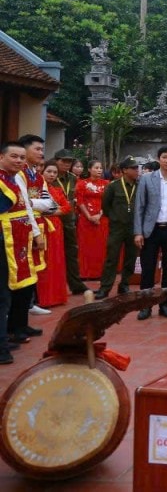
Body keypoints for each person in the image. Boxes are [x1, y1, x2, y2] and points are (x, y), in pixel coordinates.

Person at [133, 145, 167, 320]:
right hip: (151, 230)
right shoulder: (147, 179)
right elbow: (139, 207)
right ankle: (145, 307)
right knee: (148, 269)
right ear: (159, 159)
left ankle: (165, 305)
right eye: (164, 157)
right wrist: (138, 232)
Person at [0, 141, 39, 364]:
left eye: (22, 158)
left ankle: (5, 336)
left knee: (10, 292)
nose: (19, 161)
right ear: (1, 157)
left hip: (16, 243)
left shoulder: (13, 179)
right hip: (3, 243)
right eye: (14, 156)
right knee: (2, 296)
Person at [11, 134, 50, 341]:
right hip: (20, 232)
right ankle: (15, 326)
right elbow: (26, 204)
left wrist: (38, 204)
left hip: (30, 229)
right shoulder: (19, 174)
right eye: (37, 149)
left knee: (29, 278)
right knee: (19, 280)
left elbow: (47, 202)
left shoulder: (36, 174)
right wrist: (36, 232)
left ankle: (22, 323)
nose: (41, 153)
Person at [96, 156, 139, 298]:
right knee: (111, 258)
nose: (136, 170)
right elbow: (106, 206)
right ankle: (105, 287)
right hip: (117, 227)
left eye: (137, 168)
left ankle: (124, 284)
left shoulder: (139, 185)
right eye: (133, 168)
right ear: (125, 170)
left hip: (134, 227)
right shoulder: (113, 186)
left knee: (130, 257)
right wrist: (115, 218)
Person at [53, 149, 88, 295]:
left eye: (69, 161)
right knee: (54, 254)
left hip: (69, 220)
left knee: (72, 252)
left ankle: (76, 284)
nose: (67, 164)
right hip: (53, 220)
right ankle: (53, 287)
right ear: (56, 161)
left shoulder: (73, 179)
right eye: (63, 161)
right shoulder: (50, 177)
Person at [37, 160, 69, 309]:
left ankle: (56, 296)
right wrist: (53, 212)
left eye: (54, 172)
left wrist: (54, 212)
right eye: (49, 171)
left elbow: (67, 207)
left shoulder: (57, 190)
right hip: (41, 227)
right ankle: (43, 298)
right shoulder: (36, 188)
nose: (52, 175)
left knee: (56, 261)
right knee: (43, 262)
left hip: (56, 228)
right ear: (42, 172)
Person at [75, 160, 109, 280]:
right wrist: (89, 216)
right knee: (85, 246)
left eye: (100, 168)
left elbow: (108, 202)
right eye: (96, 167)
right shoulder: (81, 184)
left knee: (101, 246)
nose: (99, 170)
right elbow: (80, 201)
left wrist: (99, 215)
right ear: (89, 169)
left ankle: (99, 273)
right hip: (85, 219)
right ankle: (85, 273)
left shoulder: (107, 184)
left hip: (102, 218)